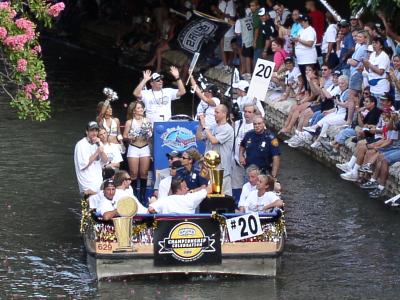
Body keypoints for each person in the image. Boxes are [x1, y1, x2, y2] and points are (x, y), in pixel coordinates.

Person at [196, 104, 234, 196]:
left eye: (217, 112)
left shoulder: (228, 129)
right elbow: (199, 137)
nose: (214, 114)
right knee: (210, 197)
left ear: (224, 114)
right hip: (209, 169)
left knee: (220, 197)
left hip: (221, 170)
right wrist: (200, 125)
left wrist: (205, 126)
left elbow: (214, 140)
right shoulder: (213, 127)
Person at [123, 100, 152, 203]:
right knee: (134, 173)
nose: (141, 110)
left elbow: (150, 136)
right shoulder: (129, 122)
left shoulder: (147, 120)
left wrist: (149, 134)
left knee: (144, 173)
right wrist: (130, 137)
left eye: (141, 108)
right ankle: (134, 196)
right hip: (133, 147)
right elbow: (125, 136)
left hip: (144, 147)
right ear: (134, 111)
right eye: (139, 108)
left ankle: (143, 197)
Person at [74, 121, 108, 195]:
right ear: (87, 132)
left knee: (98, 205)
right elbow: (84, 165)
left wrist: (100, 148)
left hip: (98, 181)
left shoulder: (99, 143)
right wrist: (97, 152)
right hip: (86, 184)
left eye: (96, 130)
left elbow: (105, 161)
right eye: (92, 130)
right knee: (86, 205)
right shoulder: (80, 145)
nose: (94, 133)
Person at [232, 104, 257, 189]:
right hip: (236, 160)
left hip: (249, 163)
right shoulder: (238, 123)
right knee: (236, 187)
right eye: (245, 111)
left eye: (249, 112)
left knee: (249, 187)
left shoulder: (257, 126)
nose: (246, 114)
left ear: (254, 113)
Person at [363, 37, 391, 104]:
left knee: (380, 108)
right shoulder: (372, 54)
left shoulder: (384, 56)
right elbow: (369, 70)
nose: (374, 44)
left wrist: (369, 64)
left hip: (381, 88)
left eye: (376, 43)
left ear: (381, 46)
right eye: (373, 43)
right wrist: (365, 64)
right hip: (373, 87)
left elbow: (380, 72)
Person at [293, 15, 317, 89]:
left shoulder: (310, 30)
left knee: (310, 77)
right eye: (300, 21)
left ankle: (312, 94)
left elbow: (310, 44)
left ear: (306, 21)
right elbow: (299, 41)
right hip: (301, 59)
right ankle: (307, 93)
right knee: (304, 76)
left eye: (301, 21)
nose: (300, 23)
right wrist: (294, 40)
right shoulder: (301, 30)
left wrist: (298, 39)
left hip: (308, 58)